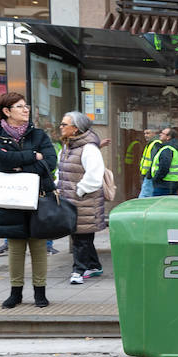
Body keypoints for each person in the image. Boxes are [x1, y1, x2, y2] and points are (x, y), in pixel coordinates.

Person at [0, 93, 57, 309]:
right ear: (6, 111)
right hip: (11, 198)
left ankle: (40, 292)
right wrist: (32, 157)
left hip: (39, 197)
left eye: (26, 106)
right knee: (15, 248)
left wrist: (18, 166)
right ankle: (15, 293)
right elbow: (0, 159)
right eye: (20, 106)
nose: (26, 109)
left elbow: (50, 162)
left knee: (39, 247)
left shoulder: (39, 135)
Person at [57, 112, 107, 285]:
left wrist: (79, 191)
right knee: (81, 237)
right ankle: (93, 265)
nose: (61, 127)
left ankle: (78, 270)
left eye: (64, 124)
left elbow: (94, 177)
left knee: (81, 238)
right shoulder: (67, 146)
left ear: (76, 129)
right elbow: (60, 171)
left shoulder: (89, 149)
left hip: (84, 202)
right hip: (71, 201)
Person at [149, 126, 178, 196]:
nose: (160, 134)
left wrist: (156, 179)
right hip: (172, 182)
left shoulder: (167, 149)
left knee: (159, 205)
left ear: (168, 137)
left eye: (163, 133)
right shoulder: (173, 148)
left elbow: (164, 167)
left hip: (164, 184)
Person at [135, 129, 161, 198]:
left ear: (154, 134)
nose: (145, 135)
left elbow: (154, 161)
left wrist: (149, 175)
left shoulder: (155, 144)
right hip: (146, 175)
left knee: (144, 197)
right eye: (144, 133)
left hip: (149, 177)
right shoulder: (150, 144)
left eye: (148, 133)